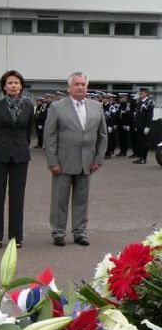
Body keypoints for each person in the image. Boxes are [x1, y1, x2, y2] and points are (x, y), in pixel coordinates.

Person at [44, 71, 107, 247]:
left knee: (81, 199)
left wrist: (98, 159)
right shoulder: (57, 107)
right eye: (76, 84)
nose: (80, 87)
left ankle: (80, 232)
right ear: (69, 87)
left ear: (87, 87)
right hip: (62, 162)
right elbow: (50, 136)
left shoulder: (97, 107)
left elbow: (103, 135)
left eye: (83, 85)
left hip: (87, 162)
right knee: (59, 199)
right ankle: (58, 231)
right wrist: (52, 161)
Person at [0, 70, 33, 249]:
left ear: (21, 86)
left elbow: (29, 131)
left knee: (17, 197)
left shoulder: (29, 106)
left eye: (16, 83)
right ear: (4, 87)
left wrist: (19, 146)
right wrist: (1, 145)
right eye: (9, 83)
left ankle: (15, 237)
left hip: (20, 156)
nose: (13, 85)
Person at [132, 87, 154, 164]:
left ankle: (143, 158)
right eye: (139, 93)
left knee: (144, 143)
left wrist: (148, 126)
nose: (140, 95)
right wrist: (135, 126)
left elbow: (150, 116)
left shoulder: (149, 102)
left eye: (141, 93)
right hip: (138, 126)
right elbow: (136, 115)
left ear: (145, 93)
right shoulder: (139, 102)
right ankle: (140, 157)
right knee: (139, 142)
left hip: (144, 126)